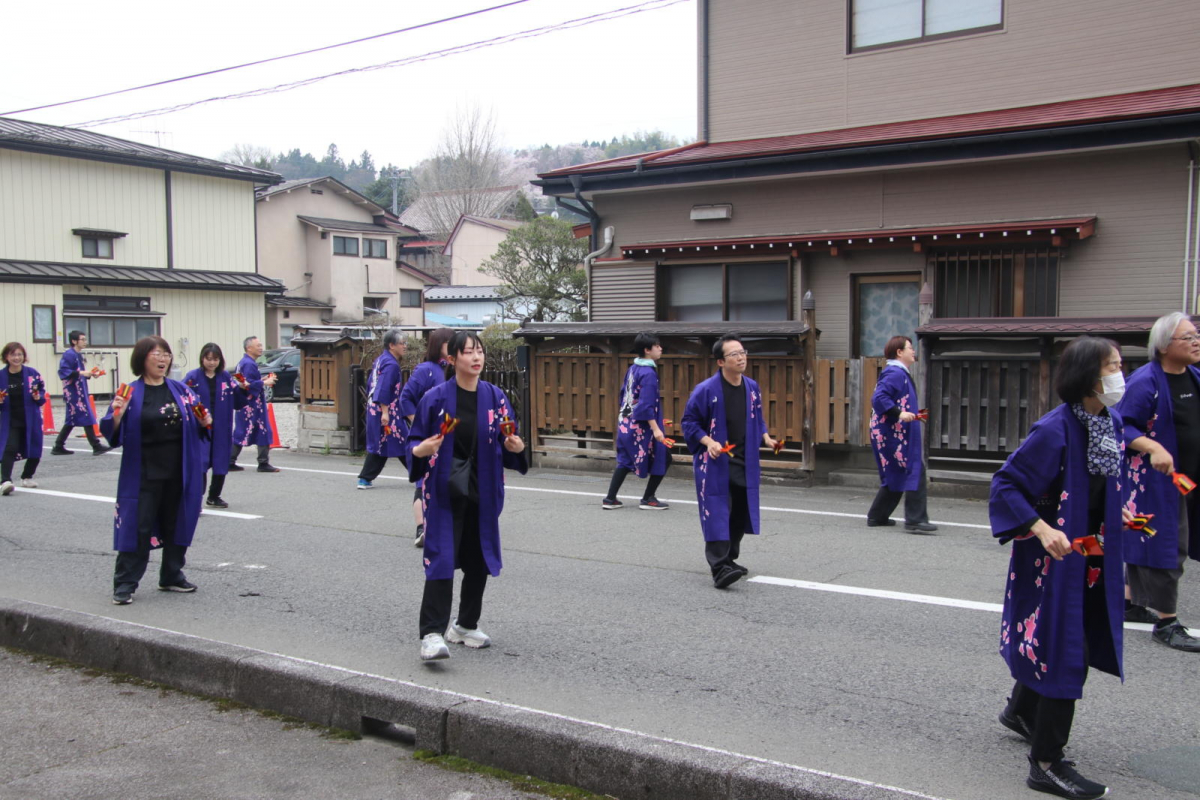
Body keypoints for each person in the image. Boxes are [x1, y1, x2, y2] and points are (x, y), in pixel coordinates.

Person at [989, 336, 1130, 800]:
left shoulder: (1108, 421)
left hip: (1089, 556)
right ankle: (1046, 762)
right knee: (1069, 650)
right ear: (1090, 376)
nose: (1120, 374)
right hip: (1053, 560)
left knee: (1067, 639)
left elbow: (1099, 485)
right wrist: (1041, 528)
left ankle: (1019, 711)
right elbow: (1006, 485)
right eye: (1113, 366)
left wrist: (1119, 512)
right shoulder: (1054, 429)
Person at [407, 330, 527, 661]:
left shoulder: (495, 396)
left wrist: (516, 447)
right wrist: (421, 449)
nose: (476, 358)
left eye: (480, 351)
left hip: (484, 487)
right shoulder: (435, 398)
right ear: (452, 359)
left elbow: (511, 436)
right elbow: (413, 443)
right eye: (468, 352)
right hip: (445, 490)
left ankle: (464, 625)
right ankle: (431, 634)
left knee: (479, 559)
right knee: (442, 558)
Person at [102, 336, 211, 606]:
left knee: (179, 520)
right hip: (144, 471)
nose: (163, 359)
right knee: (137, 526)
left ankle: (171, 574)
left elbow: (200, 424)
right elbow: (111, 432)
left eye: (166, 354)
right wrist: (117, 414)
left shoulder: (182, 390)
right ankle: (125, 583)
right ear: (142, 358)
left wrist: (205, 421)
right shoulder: (130, 391)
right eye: (156, 354)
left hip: (180, 468)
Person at [1117, 311, 1200, 650]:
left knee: (1146, 538)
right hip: (1156, 482)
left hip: (1189, 479)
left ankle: (1130, 602)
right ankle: (1167, 622)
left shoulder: (1194, 376)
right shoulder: (1146, 381)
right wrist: (1152, 446)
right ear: (1165, 345)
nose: (1196, 342)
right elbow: (1121, 425)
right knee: (1167, 545)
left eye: (1196, 336)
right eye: (1188, 338)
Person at [681, 335, 778, 589]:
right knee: (717, 512)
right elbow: (689, 423)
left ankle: (730, 558)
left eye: (742, 352)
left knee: (738, 512)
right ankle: (719, 568)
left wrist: (766, 437)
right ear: (721, 361)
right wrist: (708, 442)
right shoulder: (706, 390)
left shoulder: (752, 387)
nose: (741, 357)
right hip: (716, 461)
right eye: (734, 354)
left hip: (745, 459)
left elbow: (757, 417)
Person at [866, 336, 936, 533]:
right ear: (899, 352)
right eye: (910, 348)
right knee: (914, 470)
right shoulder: (895, 373)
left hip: (891, 432)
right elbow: (879, 398)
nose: (913, 352)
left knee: (896, 472)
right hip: (893, 434)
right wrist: (899, 413)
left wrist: (911, 413)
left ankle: (877, 516)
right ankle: (915, 520)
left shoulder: (897, 372)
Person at [602, 332, 671, 511]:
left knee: (625, 460)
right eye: (657, 346)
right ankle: (648, 498)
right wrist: (656, 428)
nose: (660, 348)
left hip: (626, 422)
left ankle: (610, 499)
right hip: (642, 426)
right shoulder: (649, 373)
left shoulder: (633, 368)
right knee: (664, 456)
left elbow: (624, 395)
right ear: (647, 350)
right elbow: (645, 405)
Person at [400, 327, 454, 547]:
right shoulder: (426, 370)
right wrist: (419, 423)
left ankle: (447, 525)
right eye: (449, 343)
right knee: (423, 482)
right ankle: (422, 528)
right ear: (438, 345)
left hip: (452, 436)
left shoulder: (455, 369)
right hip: (430, 437)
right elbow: (405, 398)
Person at [184, 343, 247, 509]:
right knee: (200, 463)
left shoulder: (226, 377)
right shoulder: (193, 377)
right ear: (202, 359)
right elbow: (183, 398)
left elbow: (239, 402)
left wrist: (244, 389)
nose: (212, 363)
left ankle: (214, 496)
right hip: (200, 428)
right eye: (208, 359)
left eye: (215, 359)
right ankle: (196, 498)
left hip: (221, 427)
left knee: (220, 461)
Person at [357, 329, 409, 490]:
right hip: (386, 410)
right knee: (402, 442)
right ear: (392, 345)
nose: (405, 346)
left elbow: (371, 385)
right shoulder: (391, 364)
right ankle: (422, 475)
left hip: (377, 408)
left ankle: (365, 478)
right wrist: (385, 412)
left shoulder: (381, 360)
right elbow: (384, 388)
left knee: (384, 444)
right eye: (402, 343)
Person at [51, 330, 109, 456]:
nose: (85, 342)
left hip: (80, 390)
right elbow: (63, 371)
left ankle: (58, 445)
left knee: (72, 419)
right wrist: (83, 373)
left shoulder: (77, 355)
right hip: (73, 392)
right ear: (74, 341)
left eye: (84, 339)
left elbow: (81, 372)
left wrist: (92, 374)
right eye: (82, 339)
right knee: (86, 415)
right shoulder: (69, 354)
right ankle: (96, 445)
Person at [0, 342, 47, 494]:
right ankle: (5, 480)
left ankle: (27, 476)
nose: (17, 357)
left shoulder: (32, 374)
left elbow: (41, 394)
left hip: (31, 417)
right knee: (10, 447)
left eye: (20, 354)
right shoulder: (1, 376)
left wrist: (37, 396)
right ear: (6, 357)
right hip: (10, 418)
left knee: (35, 446)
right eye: (13, 354)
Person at [230, 336, 279, 473]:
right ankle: (262, 463)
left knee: (242, 432)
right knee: (262, 431)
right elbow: (247, 385)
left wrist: (262, 380)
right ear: (249, 348)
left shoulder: (244, 362)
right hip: (251, 405)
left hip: (246, 404)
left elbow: (245, 381)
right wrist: (264, 383)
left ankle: (230, 460)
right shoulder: (248, 364)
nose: (261, 347)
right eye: (258, 345)